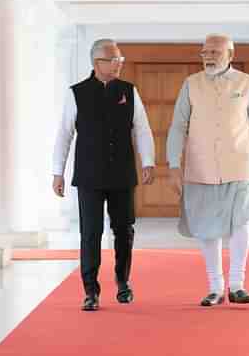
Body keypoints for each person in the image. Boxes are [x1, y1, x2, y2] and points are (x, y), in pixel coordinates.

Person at [166, 33, 249, 306]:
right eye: (205, 52)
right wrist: (173, 165)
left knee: (240, 222)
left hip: (241, 166)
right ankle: (215, 287)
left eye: (215, 52)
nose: (209, 57)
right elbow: (178, 127)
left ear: (230, 55)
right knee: (207, 228)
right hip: (200, 168)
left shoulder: (247, 84)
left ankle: (237, 284)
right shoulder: (191, 84)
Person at [52, 38, 155, 311]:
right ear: (97, 63)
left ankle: (123, 284)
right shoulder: (76, 93)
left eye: (120, 59)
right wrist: (57, 172)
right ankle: (90, 291)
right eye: (113, 59)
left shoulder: (129, 91)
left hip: (122, 174)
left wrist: (148, 162)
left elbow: (141, 129)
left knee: (124, 231)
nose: (119, 63)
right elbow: (64, 134)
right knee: (90, 233)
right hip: (89, 175)